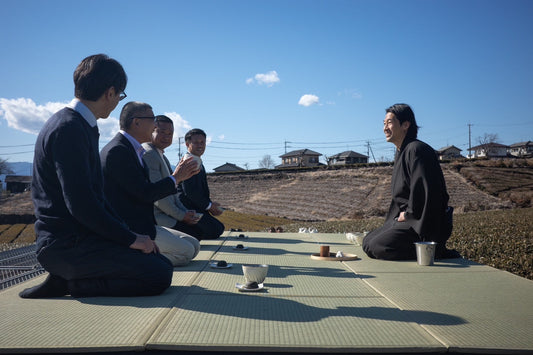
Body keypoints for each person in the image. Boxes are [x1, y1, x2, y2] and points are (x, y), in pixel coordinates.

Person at [20, 54, 174, 299]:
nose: (116, 103)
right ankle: (71, 283)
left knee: (161, 263)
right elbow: (81, 204)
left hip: (82, 237)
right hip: (65, 245)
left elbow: (96, 197)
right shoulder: (68, 129)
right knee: (158, 275)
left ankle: (68, 277)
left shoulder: (80, 124)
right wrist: (129, 238)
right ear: (110, 92)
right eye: (120, 95)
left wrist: (132, 237)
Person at [100, 102, 201, 266]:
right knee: (186, 252)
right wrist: (176, 178)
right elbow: (145, 193)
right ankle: (126, 258)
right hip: (130, 229)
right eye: (152, 120)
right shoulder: (118, 151)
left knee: (194, 245)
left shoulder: (132, 149)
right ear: (136, 122)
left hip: (145, 224)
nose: (155, 125)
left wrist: (177, 178)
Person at [362, 103, 460, 260]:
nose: (385, 128)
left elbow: (425, 192)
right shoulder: (401, 152)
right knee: (367, 242)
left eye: (389, 122)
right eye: (384, 123)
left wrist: (408, 214)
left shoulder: (417, 150)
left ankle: (434, 251)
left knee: (378, 246)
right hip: (405, 220)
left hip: (421, 223)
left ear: (405, 125)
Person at [142, 115, 212, 239]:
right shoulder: (149, 154)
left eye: (170, 133)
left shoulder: (162, 156)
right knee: (197, 236)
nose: (166, 137)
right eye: (162, 132)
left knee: (202, 232)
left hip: (172, 212)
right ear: (151, 130)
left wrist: (185, 213)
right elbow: (159, 197)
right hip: (156, 216)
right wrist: (181, 215)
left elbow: (172, 192)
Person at [177, 128, 225, 239]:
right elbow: (190, 192)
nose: (200, 145)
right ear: (187, 144)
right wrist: (209, 206)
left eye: (202, 142)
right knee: (216, 229)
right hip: (187, 209)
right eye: (196, 142)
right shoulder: (188, 162)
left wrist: (210, 204)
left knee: (218, 228)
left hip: (197, 207)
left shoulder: (197, 160)